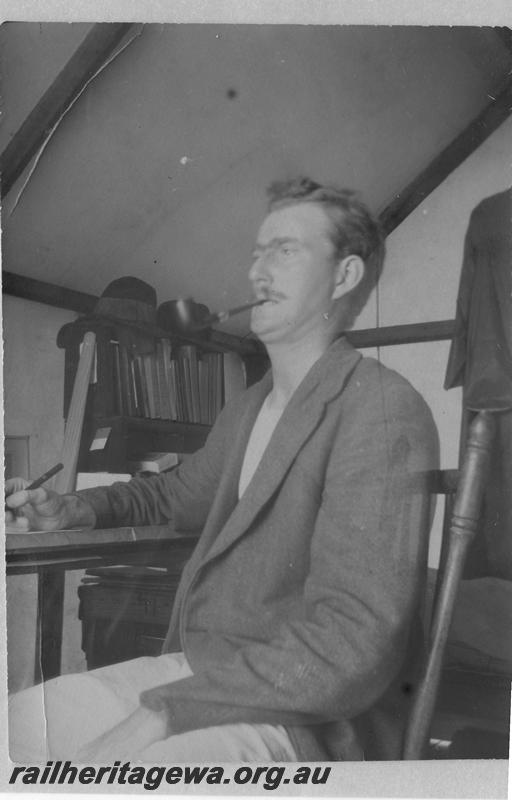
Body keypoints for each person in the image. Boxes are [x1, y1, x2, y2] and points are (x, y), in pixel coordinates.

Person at [6, 177, 438, 763]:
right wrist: (73, 508)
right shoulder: (249, 406)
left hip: (304, 719)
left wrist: (166, 711)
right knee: (16, 732)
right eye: (258, 252)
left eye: (286, 251)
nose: (258, 272)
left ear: (345, 276)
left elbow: (351, 645)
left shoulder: (381, 410)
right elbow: (173, 494)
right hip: (200, 672)